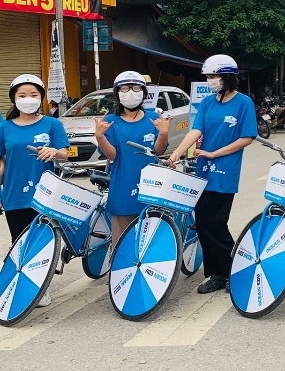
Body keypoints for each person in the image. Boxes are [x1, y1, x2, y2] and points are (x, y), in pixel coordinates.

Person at [168, 55, 256, 294]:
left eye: (214, 76)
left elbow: (247, 137)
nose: (210, 80)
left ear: (228, 77)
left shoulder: (243, 103)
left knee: (214, 222)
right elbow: (196, 130)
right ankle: (217, 274)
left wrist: (215, 153)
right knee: (202, 224)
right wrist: (176, 153)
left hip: (225, 171)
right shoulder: (207, 102)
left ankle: (234, 269)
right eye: (207, 76)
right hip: (203, 171)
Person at [0, 74, 69, 307]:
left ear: (41, 97)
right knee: (19, 243)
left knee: (43, 242)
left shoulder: (52, 124)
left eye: (33, 94)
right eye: (22, 95)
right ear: (14, 98)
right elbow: (1, 161)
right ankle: (22, 286)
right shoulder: (4, 128)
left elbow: (65, 153)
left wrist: (54, 152)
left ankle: (41, 288)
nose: (28, 99)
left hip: (45, 194)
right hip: (13, 194)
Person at [94, 71, 170, 247]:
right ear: (117, 93)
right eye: (125, 88)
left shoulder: (154, 118)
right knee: (122, 246)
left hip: (152, 189)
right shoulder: (111, 121)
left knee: (150, 245)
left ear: (144, 92)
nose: (130, 93)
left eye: (136, 88)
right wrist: (100, 137)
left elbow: (158, 151)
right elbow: (112, 155)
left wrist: (164, 133)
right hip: (122, 190)